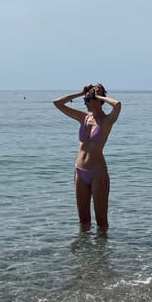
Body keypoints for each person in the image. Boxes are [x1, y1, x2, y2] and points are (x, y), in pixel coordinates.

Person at [53, 84, 121, 232]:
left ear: (99, 99)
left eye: (89, 99)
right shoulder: (83, 117)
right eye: (86, 99)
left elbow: (117, 105)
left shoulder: (106, 120)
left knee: (101, 222)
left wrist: (98, 95)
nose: (86, 102)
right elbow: (57, 103)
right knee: (83, 221)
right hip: (80, 171)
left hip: (98, 172)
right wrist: (80, 93)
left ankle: (103, 247)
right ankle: (85, 248)